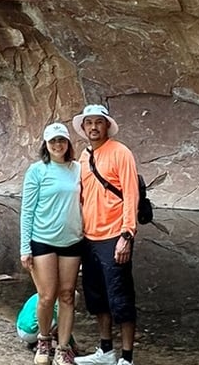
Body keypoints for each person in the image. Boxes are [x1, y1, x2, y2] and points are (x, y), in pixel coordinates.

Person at [72, 104, 140, 365]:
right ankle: (106, 351)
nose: (93, 127)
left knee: (121, 297)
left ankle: (127, 358)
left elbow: (131, 195)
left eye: (98, 122)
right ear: (84, 127)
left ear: (107, 126)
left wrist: (127, 235)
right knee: (97, 297)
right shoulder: (84, 157)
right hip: (89, 238)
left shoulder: (121, 153)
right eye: (89, 123)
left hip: (115, 236)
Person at [21, 123, 85, 365]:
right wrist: (24, 248)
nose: (58, 145)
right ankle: (44, 340)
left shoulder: (78, 169)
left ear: (68, 143)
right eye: (53, 141)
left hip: (72, 241)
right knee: (47, 296)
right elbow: (27, 211)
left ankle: (63, 348)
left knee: (67, 295)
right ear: (46, 145)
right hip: (43, 240)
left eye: (62, 140)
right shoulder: (37, 171)